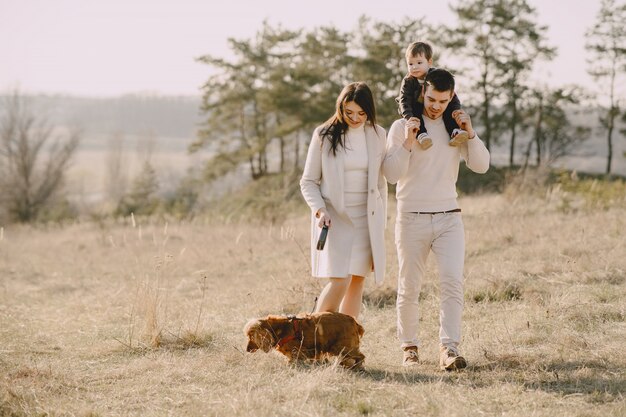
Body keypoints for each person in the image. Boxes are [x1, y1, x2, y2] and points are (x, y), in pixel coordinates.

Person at [383, 69, 490, 370]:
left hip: (449, 218)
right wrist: (408, 140)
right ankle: (409, 349)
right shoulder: (401, 126)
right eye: (431, 98)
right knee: (409, 285)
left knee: (452, 282)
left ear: (451, 98)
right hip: (410, 217)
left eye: (443, 101)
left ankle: (449, 349)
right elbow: (391, 175)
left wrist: (471, 132)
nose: (435, 106)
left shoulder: (453, 126)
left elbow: (481, 166)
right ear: (422, 93)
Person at [300, 82, 388, 320]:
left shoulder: (379, 134)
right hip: (334, 218)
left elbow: (381, 185)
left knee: (357, 281)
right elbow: (308, 181)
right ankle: (314, 338)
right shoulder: (324, 134)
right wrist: (319, 211)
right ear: (340, 107)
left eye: (361, 113)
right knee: (340, 279)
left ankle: (345, 345)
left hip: (367, 220)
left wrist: (381, 225)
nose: (355, 118)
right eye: (349, 112)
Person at [396, 41, 469, 150]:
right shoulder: (408, 81)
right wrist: (409, 117)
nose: (414, 67)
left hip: (431, 106)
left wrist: (456, 110)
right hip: (413, 106)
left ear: (429, 62)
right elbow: (404, 100)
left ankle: (454, 131)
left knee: (448, 111)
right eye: (410, 64)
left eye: (419, 63)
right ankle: (422, 135)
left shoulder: (436, 76)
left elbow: (452, 97)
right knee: (416, 112)